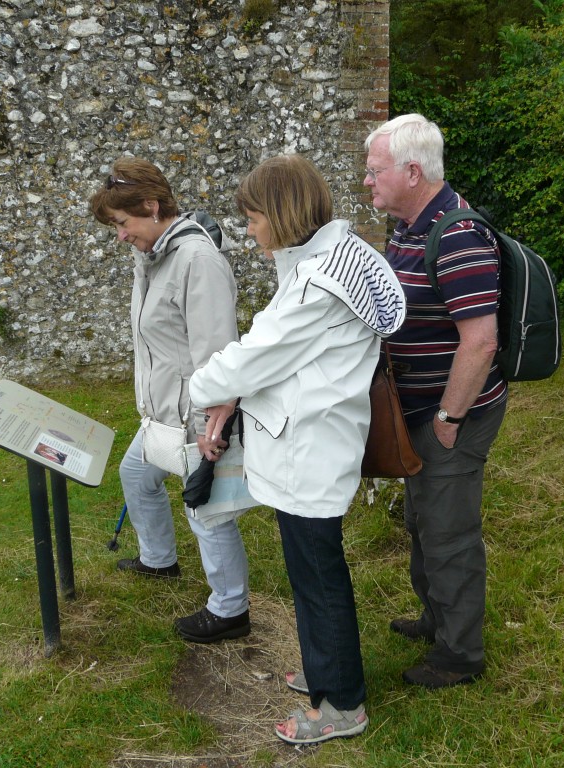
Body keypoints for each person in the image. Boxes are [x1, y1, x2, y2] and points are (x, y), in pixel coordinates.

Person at [189, 154, 406, 744]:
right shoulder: (323, 260)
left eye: (254, 217)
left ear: (282, 214)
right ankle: (323, 668)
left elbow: (257, 354)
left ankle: (340, 705)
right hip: (308, 441)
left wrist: (200, 387)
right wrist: (231, 397)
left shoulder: (318, 283)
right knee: (312, 570)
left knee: (317, 575)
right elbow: (275, 352)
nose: (251, 229)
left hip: (309, 449)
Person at [364, 113, 508, 689]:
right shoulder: (408, 225)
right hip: (419, 409)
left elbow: (481, 339)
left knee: (449, 531)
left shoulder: (456, 236)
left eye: (375, 172)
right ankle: (436, 617)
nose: (367, 181)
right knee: (425, 519)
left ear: (412, 171)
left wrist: (449, 419)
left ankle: (459, 654)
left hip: (455, 411)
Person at [89, 157, 251, 644]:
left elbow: (216, 352)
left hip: (194, 419)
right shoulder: (154, 257)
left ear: (152, 206)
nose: (120, 236)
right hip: (160, 415)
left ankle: (230, 609)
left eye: (123, 223)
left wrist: (211, 428)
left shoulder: (196, 261)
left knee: (207, 511)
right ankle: (158, 560)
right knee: (136, 473)